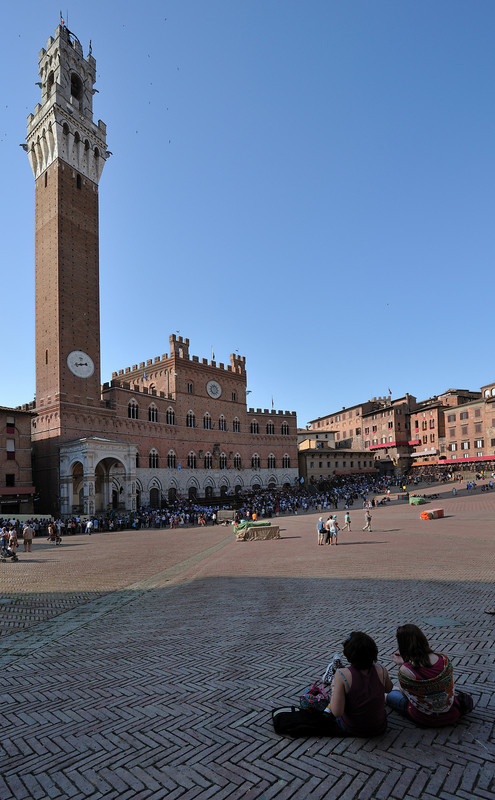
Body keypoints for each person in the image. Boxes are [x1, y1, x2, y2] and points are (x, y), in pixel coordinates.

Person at [386, 624, 473, 726]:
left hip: (425, 717)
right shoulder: (443, 659)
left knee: (388, 694)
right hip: (453, 713)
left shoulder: (405, 670)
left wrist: (402, 665)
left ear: (402, 645)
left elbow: (405, 694)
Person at [322, 631, 393, 736]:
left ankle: (331, 678)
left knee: (330, 704)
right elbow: (389, 689)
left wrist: (334, 687)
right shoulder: (381, 669)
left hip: (353, 728)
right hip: (379, 727)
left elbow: (337, 712)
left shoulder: (342, 674)